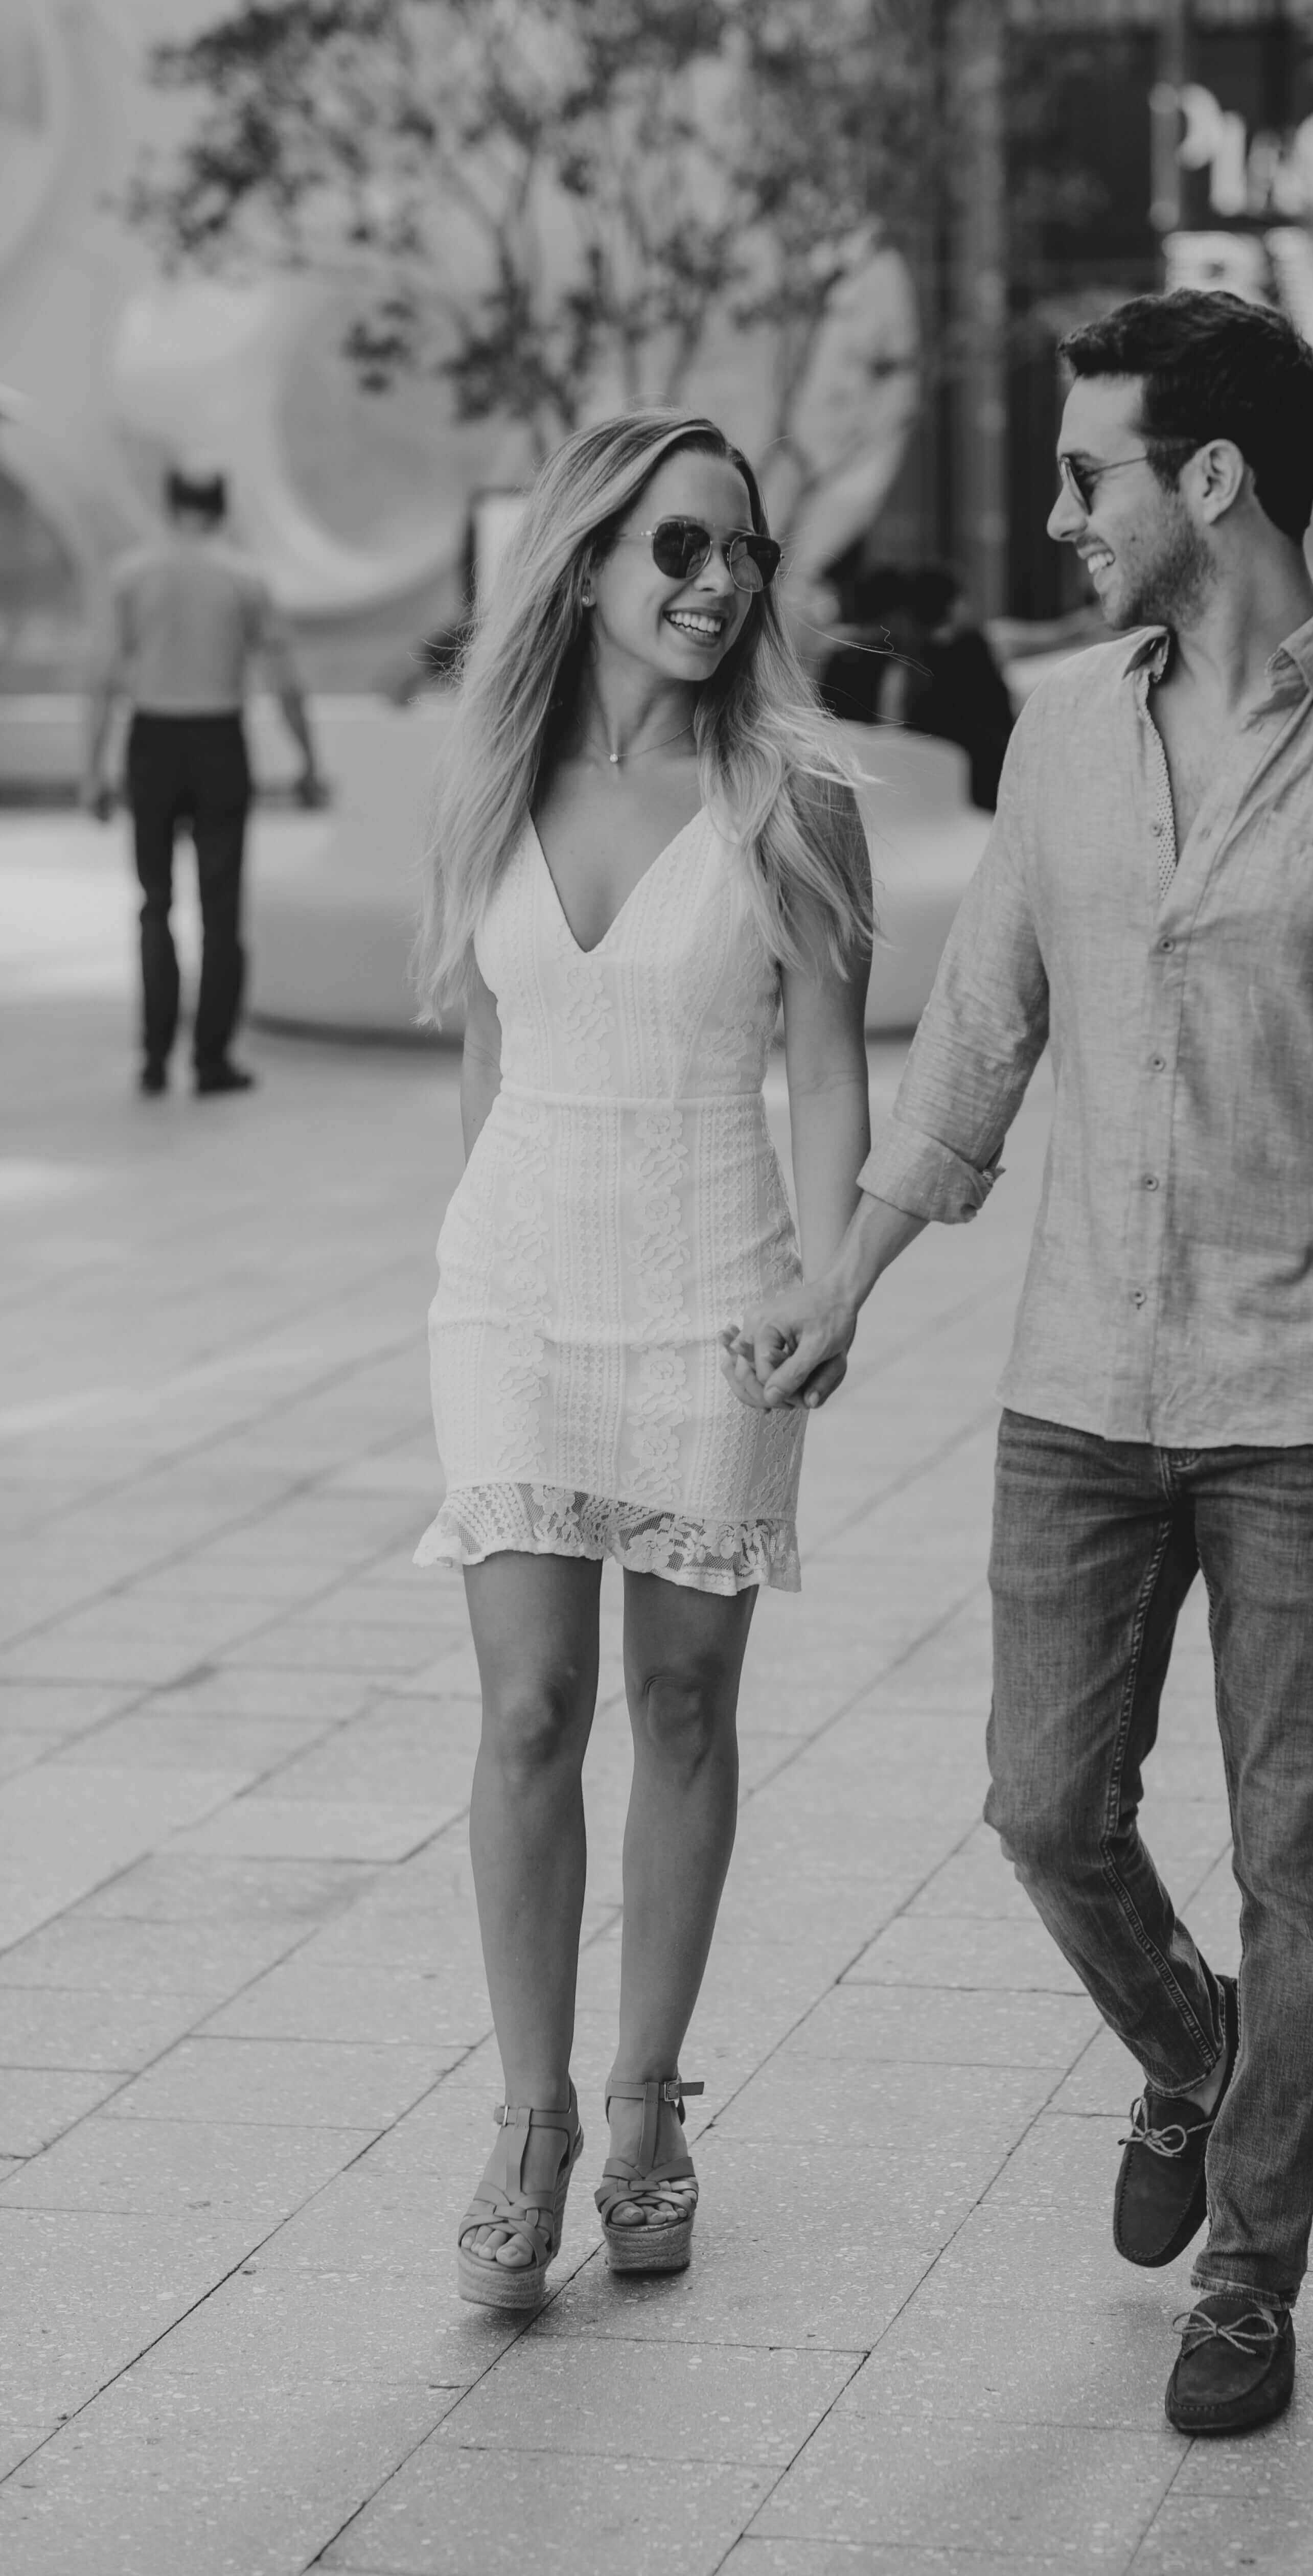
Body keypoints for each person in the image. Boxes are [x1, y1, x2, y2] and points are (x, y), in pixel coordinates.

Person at [726, 290, 1313, 2434]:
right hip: (1078, 1374)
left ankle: (1252, 2271)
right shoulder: (1066, 730)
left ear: (1214, 480)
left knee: (1299, 1843)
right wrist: (848, 1275)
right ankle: (1194, 2051)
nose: (1059, 513)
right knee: (1040, 1802)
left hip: (1310, 1389)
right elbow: (979, 1028)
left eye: (1090, 473)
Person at [411, 410, 872, 2309]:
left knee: (681, 1706)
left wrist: (833, 1284)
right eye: (677, 546)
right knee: (528, 1708)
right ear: (587, 558)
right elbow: (486, 1053)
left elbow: (829, 1072)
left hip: (714, 1291)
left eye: (738, 550)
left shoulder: (791, 797)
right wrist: (479, 1269)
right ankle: (529, 2116)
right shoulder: (492, 781)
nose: (716, 581)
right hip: (516, 1295)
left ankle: (646, 2102)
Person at [83, 467, 326, 1096]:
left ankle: (154, 1057)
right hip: (219, 741)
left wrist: (93, 770)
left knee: (154, 903)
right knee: (221, 911)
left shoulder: (132, 575)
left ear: (170, 506)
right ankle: (212, 1060)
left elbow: (104, 676)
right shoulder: (243, 577)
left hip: (152, 742)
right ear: (222, 508)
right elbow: (284, 678)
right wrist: (308, 760)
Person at [819, 563, 1015, 809]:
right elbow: (1000, 723)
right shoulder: (970, 653)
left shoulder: (869, 660)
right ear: (954, 606)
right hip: (972, 786)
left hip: (883, 784)